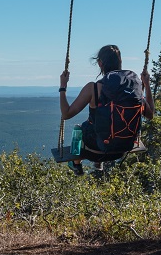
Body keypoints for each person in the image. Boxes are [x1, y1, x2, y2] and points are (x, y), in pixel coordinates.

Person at [58, 44, 153, 177]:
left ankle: (76, 163)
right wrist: (147, 85)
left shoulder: (93, 88)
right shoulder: (132, 89)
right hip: (123, 149)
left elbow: (66, 114)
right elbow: (150, 115)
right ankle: (98, 165)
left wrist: (63, 87)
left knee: (79, 128)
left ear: (100, 63)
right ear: (120, 63)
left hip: (95, 150)